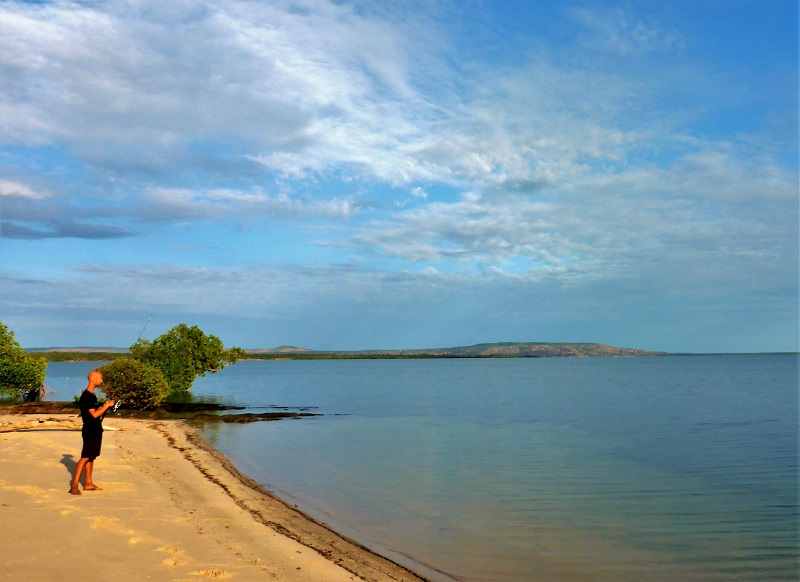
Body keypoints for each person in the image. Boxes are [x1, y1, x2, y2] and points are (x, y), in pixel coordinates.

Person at [69, 370, 115, 495]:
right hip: (90, 430)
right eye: (100, 378)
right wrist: (106, 406)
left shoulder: (92, 395)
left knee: (91, 456)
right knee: (85, 456)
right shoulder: (87, 396)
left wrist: (105, 406)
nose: (102, 380)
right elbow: (94, 414)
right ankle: (74, 486)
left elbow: (94, 411)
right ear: (94, 379)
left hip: (95, 429)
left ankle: (88, 483)